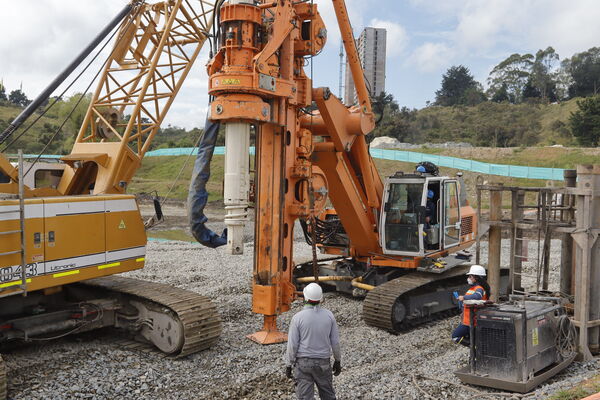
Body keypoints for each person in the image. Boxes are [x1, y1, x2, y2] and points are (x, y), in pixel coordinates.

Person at [285, 283, 341, 400]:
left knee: (305, 397)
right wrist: (337, 360)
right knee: (328, 396)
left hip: (303, 364)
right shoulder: (329, 316)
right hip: (323, 364)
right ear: (320, 298)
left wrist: (288, 364)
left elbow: (292, 345)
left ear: (305, 297)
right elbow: (335, 342)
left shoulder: (298, 318)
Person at [451, 265, 490, 346]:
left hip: (471, 321)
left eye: (470, 276)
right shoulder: (473, 288)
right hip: (467, 320)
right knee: (470, 337)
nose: (468, 278)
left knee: (455, 336)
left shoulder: (479, 288)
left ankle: (475, 348)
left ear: (476, 277)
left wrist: (463, 297)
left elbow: (477, 296)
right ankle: (476, 349)